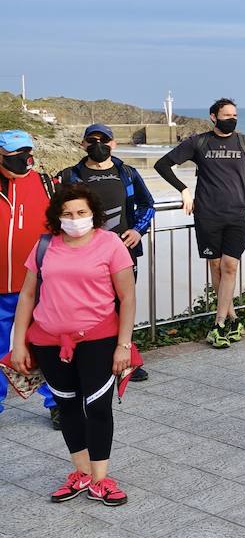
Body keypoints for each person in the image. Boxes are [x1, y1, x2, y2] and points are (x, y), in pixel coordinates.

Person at [8, 183, 137, 505]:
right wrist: (19, 343)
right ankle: (80, 473)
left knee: (96, 406)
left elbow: (127, 296)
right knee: (67, 407)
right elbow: (26, 295)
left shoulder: (109, 244)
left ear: (93, 214)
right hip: (48, 342)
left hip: (98, 339)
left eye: (81, 212)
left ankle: (101, 478)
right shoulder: (44, 246)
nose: (74, 219)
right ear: (57, 217)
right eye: (67, 214)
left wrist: (123, 345)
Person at [153, 98, 245, 349]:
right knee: (216, 268)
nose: (232, 119)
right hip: (207, 216)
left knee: (230, 266)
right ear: (213, 117)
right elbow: (163, 165)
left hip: (237, 215)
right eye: (226, 115)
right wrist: (183, 190)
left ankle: (219, 323)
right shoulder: (199, 142)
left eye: (235, 115)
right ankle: (233, 318)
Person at [56, 124, 155, 383]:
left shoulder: (128, 173)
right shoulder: (69, 176)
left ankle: (127, 356)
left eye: (104, 140)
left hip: (124, 251)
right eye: (92, 140)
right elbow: (56, 212)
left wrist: (137, 230)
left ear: (114, 144)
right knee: (86, 305)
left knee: (124, 303)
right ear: (83, 144)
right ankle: (87, 356)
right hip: (83, 256)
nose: (98, 145)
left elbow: (147, 204)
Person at [0, 129, 59, 423]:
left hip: (37, 285)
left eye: (27, 153)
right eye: (14, 156)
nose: (24, 160)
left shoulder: (46, 185)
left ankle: (54, 402)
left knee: (43, 347)